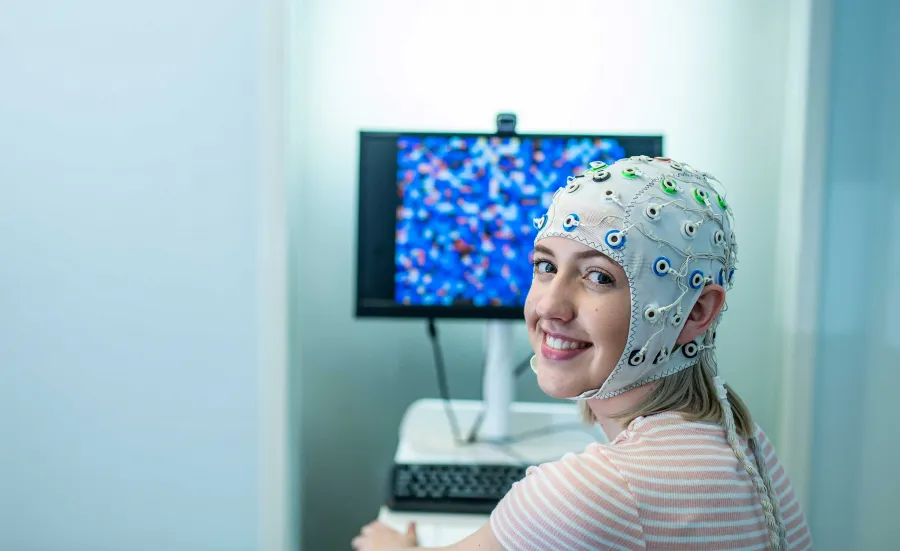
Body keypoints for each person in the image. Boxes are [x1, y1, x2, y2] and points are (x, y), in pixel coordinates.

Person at [352, 156, 812, 551]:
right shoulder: (743, 440)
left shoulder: (589, 494)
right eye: (545, 266)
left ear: (695, 312)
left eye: (599, 277)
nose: (549, 305)